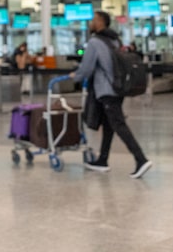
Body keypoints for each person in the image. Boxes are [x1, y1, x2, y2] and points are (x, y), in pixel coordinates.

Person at [62, 10, 152, 179]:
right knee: (109, 125)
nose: (91, 23)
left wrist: (76, 76)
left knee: (118, 124)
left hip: (106, 90)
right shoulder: (114, 40)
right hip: (117, 87)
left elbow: (87, 67)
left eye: (94, 20)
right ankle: (102, 160)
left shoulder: (95, 42)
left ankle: (141, 159)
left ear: (101, 22)